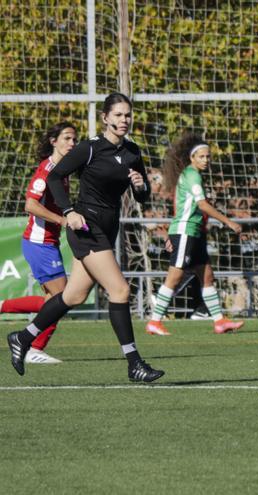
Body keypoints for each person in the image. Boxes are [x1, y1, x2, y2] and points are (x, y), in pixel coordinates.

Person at [6, 92, 164, 383]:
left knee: (73, 295)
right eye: (117, 115)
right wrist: (68, 211)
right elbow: (54, 177)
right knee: (120, 291)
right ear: (105, 118)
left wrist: (141, 186)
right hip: (86, 226)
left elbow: (143, 198)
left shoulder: (132, 151)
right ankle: (134, 363)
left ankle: (22, 337)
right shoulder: (89, 148)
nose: (124, 120)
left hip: (108, 226)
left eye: (127, 115)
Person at [145, 133, 244, 336]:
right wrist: (228, 222)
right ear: (192, 158)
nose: (206, 160)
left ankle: (219, 321)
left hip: (195, 232)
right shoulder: (191, 174)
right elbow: (201, 204)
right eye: (201, 156)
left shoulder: (194, 175)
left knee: (207, 276)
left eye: (208, 156)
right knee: (175, 275)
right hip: (185, 231)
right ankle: (154, 320)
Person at [0, 122, 78, 364]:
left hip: (47, 243)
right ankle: (34, 348)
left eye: (74, 139)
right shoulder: (46, 171)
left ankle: (3, 307)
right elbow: (30, 205)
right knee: (63, 297)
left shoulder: (62, 171)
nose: (72, 144)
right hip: (39, 243)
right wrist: (62, 220)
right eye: (66, 138)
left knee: (51, 301)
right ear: (53, 141)